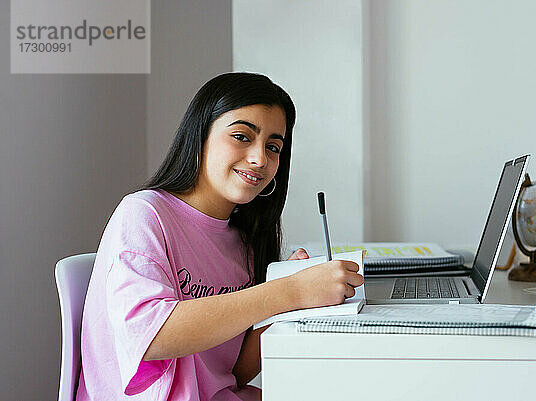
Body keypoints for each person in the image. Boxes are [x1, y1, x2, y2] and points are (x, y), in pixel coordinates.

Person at [76, 72, 364, 401]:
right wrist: (288, 292)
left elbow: (233, 372)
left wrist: (287, 302)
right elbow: (151, 337)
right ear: (200, 135)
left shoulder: (244, 240)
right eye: (242, 136)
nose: (260, 159)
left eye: (273, 147)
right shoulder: (144, 213)